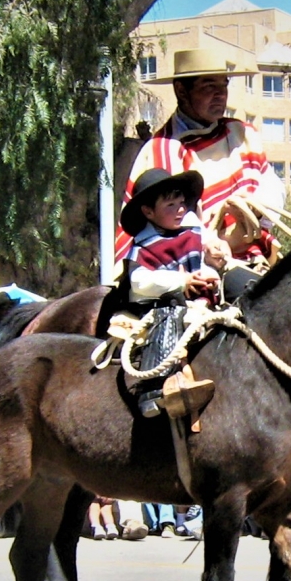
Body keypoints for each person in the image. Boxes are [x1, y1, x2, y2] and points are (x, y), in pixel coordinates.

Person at [114, 48, 285, 270]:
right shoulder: (163, 150)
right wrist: (208, 244)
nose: (221, 94)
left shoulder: (242, 134)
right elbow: (164, 221)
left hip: (257, 256)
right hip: (196, 268)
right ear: (182, 91)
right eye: (209, 87)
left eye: (224, 85)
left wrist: (255, 208)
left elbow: (272, 185)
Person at [120, 168, 218, 417]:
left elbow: (196, 264)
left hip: (195, 304)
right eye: (170, 205)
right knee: (168, 319)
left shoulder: (190, 233)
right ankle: (152, 391)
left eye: (182, 203)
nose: (180, 210)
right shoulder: (143, 245)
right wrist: (181, 281)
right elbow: (140, 282)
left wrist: (208, 276)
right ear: (148, 211)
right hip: (158, 306)